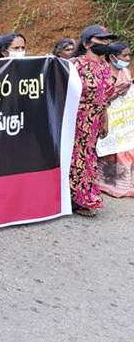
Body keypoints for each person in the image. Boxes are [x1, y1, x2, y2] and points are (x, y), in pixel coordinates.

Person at [70, 25, 117, 216]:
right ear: (87, 43)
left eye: (107, 40)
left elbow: (104, 98)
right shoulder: (76, 65)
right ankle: (79, 199)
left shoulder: (105, 66)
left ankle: (82, 197)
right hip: (77, 120)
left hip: (95, 122)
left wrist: (105, 119)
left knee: (88, 157)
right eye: (101, 39)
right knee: (78, 158)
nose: (105, 43)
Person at [98, 42, 133, 197]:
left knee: (127, 148)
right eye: (124, 55)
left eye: (129, 55)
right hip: (108, 116)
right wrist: (116, 93)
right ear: (112, 57)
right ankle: (110, 183)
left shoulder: (125, 71)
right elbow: (100, 97)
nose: (128, 58)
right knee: (112, 150)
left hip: (124, 119)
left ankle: (126, 184)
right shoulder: (104, 72)